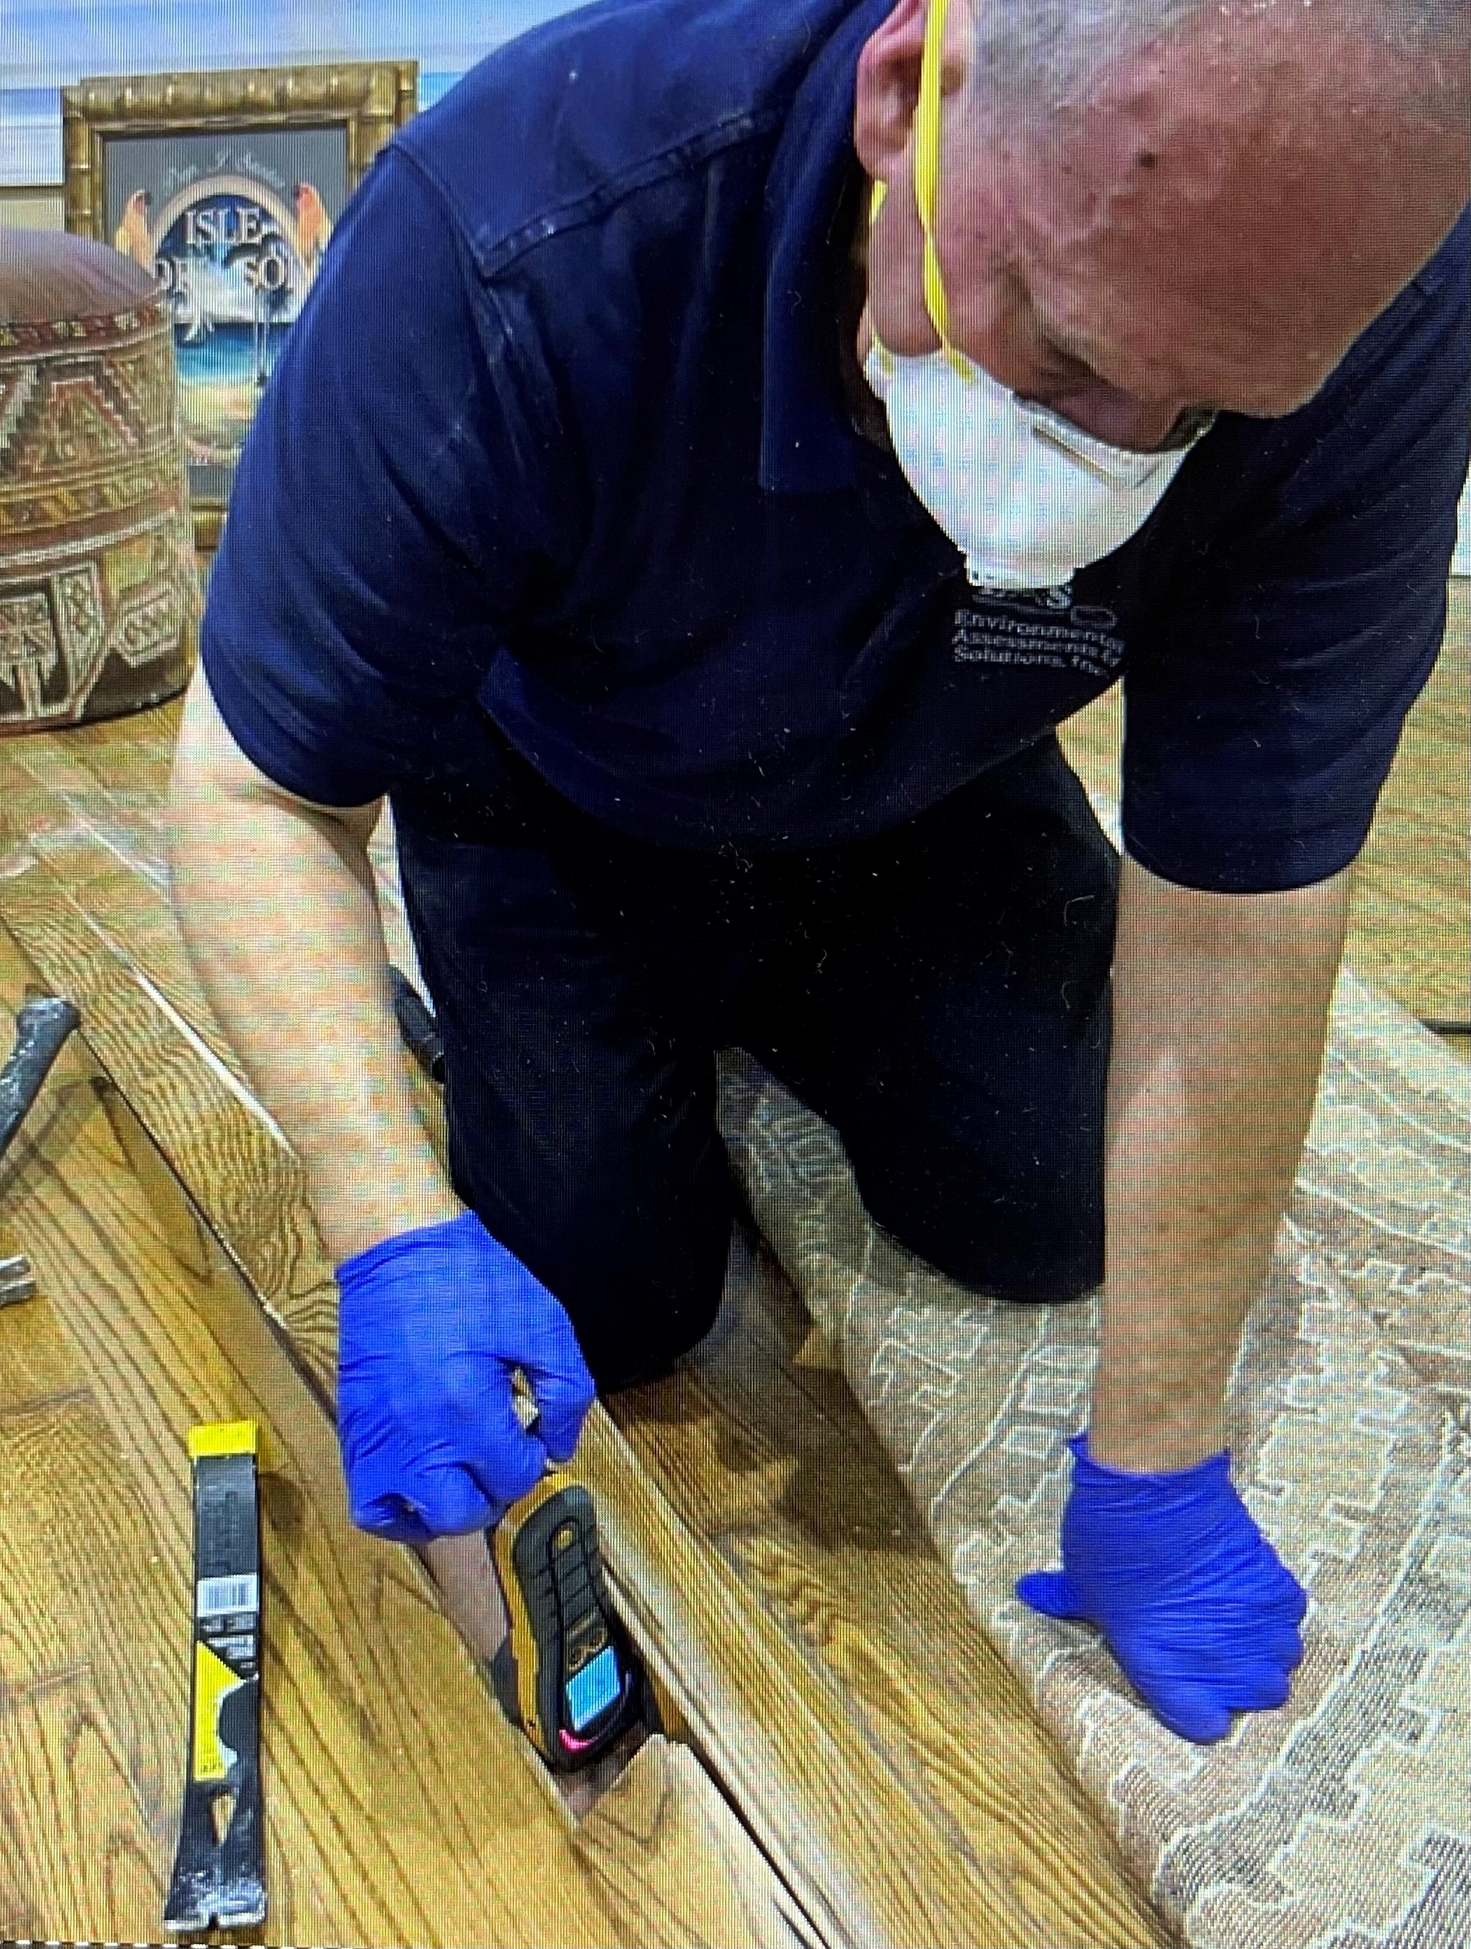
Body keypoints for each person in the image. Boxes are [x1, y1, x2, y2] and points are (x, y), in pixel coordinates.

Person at [170, 0, 1471, 1746]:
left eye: (1202, 414)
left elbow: (1249, 895)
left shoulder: (1374, 297)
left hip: (931, 773)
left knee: (1054, 1209)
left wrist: (1162, 1458)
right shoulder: (520, 232)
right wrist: (382, 1222)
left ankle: (788, 994)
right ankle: (633, 1022)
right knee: (606, 1298)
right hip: (558, 786)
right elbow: (255, 789)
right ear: (905, 100)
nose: (1110, 459)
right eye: (1065, 355)